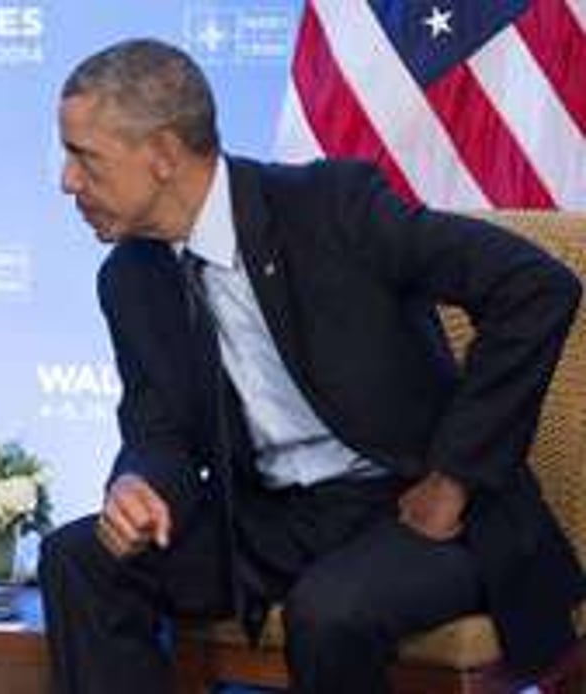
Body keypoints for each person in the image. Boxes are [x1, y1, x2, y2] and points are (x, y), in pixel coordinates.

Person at [38, 38, 584, 694]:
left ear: (160, 154)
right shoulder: (131, 277)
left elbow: (534, 287)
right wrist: (138, 484)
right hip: (268, 519)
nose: (66, 180)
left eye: (83, 158)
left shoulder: (330, 207)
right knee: (79, 559)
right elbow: (159, 433)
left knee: (328, 612)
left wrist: (455, 478)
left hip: (410, 508)